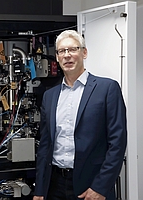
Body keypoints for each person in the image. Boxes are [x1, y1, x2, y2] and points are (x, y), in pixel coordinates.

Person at [33, 30, 127, 200]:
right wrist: (40, 190)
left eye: (73, 49)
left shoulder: (107, 89)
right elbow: (45, 146)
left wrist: (100, 187)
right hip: (55, 185)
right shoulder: (50, 96)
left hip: (91, 185)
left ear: (84, 52)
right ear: (57, 57)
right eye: (62, 51)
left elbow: (117, 143)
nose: (67, 55)